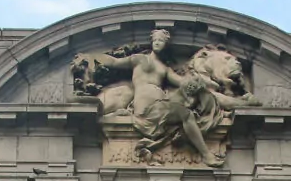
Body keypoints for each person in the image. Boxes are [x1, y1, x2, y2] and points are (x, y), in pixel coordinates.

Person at [85, 29, 259, 166]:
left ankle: (228, 108)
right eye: (156, 40)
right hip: (146, 108)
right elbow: (115, 62)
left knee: (195, 100)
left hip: (161, 106)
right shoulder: (139, 59)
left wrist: (200, 83)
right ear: (152, 42)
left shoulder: (164, 69)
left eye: (161, 41)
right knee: (185, 114)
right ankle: (206, 155)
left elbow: (183, 82)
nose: (158, 43)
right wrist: (93, 57)